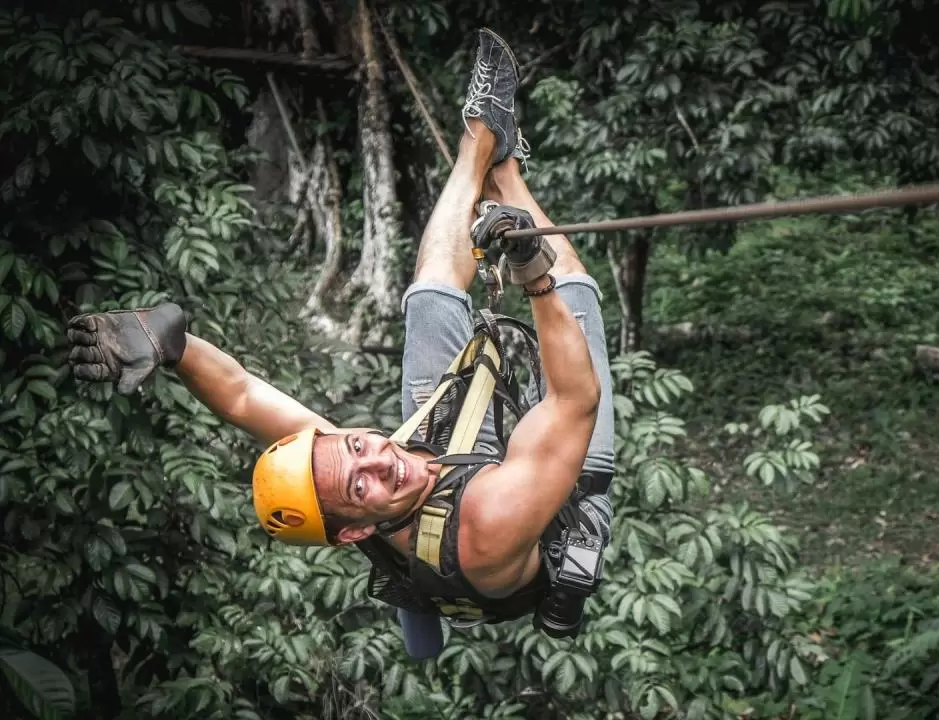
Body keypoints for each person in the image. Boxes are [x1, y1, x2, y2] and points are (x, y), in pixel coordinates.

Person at [65, 28, 615, 658]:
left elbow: (244, 397)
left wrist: (169, 343)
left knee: (433, 296)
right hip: (533, 505)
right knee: (573, 304)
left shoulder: (355, 469)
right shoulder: (488, 526)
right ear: (355, 532)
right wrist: (532, 272)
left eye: (356, 444)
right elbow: (574, 399)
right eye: (362, 486)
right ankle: (508, 174)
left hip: (443, 478)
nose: (379, 458)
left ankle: (479, 141)